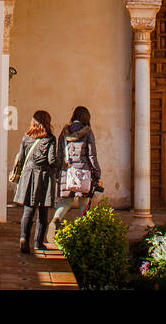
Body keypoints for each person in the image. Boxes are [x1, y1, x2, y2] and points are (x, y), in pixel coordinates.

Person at [9, 110, 58, 254]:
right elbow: (52, 160)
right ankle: (38, 243)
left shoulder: (26, 137)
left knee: (28, 210)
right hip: (43, 177)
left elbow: (21, 158)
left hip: (28, 175)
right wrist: (60, 165)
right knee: (43, 211)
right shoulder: (50, 139)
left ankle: (24, 237)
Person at [50, 105, 101, 242]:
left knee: (65, 203)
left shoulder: (64, 132)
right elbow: (92, 156)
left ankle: (56, 220)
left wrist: (58, 173)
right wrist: (97, 174)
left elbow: (59, 155)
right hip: (83, 173)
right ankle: (82, 234)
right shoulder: (88, 133)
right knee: (84, 204)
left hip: (67, 172)